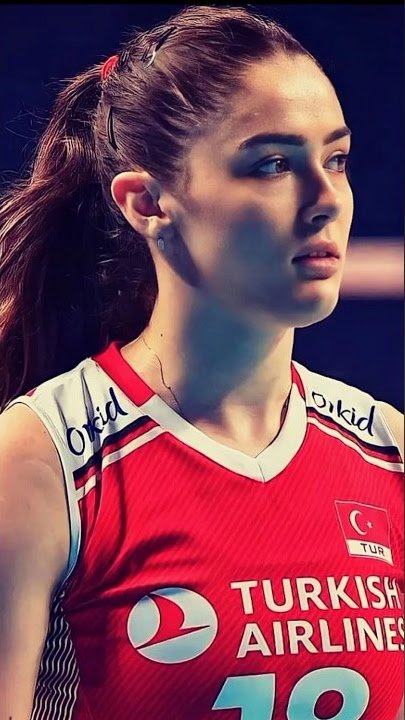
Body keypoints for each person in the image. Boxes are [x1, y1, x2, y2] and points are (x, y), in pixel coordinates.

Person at [0, 5, 403, 719]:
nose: (326, 201)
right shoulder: (43, 458)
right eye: (273, 164)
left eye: (335, 160)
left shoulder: (385, 449)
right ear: (148, 202)